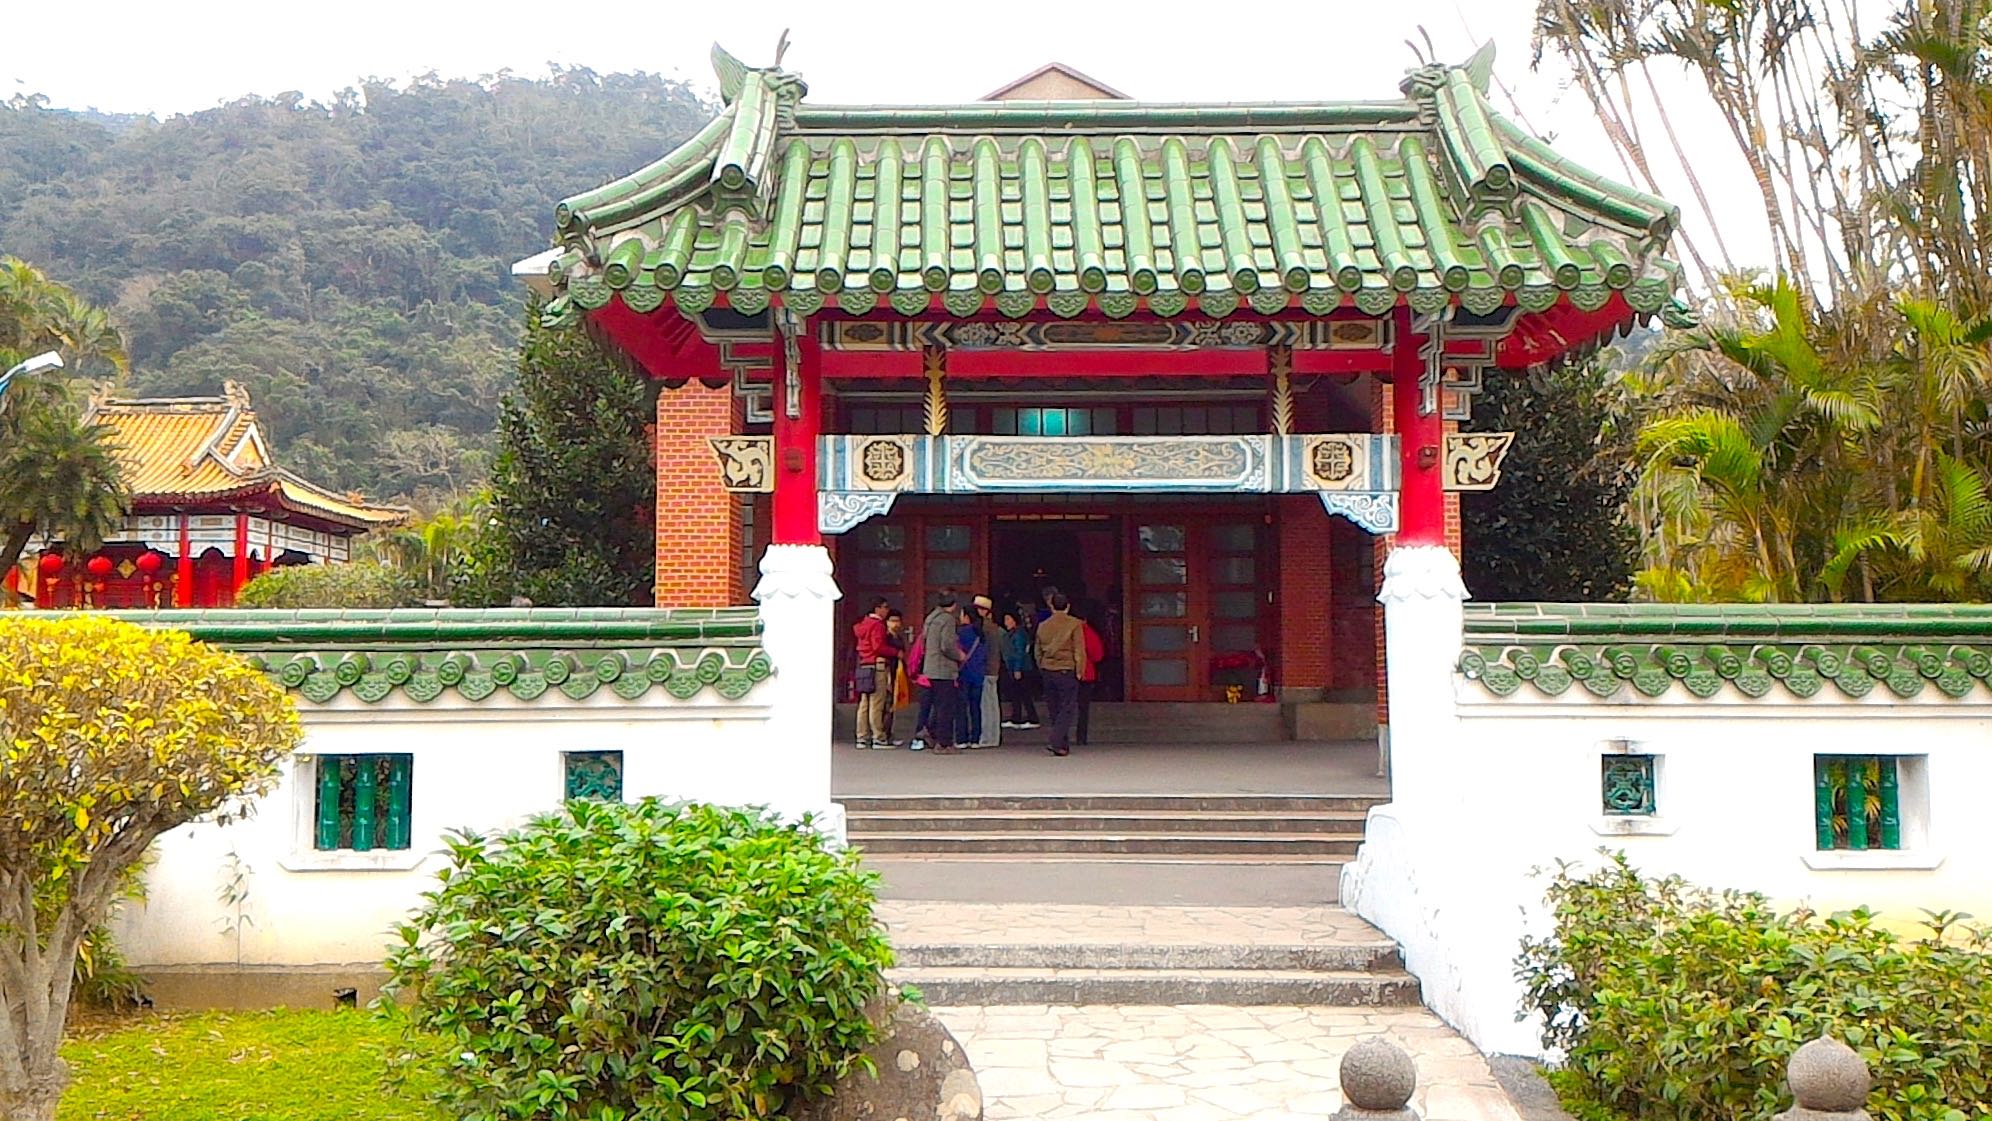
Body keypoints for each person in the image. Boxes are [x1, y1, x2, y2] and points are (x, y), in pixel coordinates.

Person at [1035, 593, 1085, 757]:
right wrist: (1080, 670)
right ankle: (1056, 740)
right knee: (1068, 707)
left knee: (1054, 707)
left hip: (1048, 669)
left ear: (1051, 606)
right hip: (1066, 668)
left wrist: (1042, 666)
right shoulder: (1074, 624)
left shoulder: (1043, 625)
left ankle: (1062, 745)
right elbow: (1079, 650)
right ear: (1068, 606)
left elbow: (1037, 650)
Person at [919, 592, 966, 754]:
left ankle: (930, 731)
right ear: (953, 605)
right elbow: (947, 645)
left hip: (931, 667)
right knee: (946, 707)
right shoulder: (947, 619)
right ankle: (944, 742)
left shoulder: (931, 618)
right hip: (944, 668)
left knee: (938, 705)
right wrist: (959, 655)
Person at [851, 597, 897, 749]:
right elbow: (878, 646)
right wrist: (895, 652)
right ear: (877, 608)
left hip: (864, 664)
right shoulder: (877, 625)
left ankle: (861, 736)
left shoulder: (863, 624)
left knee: (864, 703)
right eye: (885, 607)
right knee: (877, 702)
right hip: (877, 665)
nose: (887, 610)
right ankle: (878, 737)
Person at [973, 595, 1004, 747]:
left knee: (986, 706)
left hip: (986, 669)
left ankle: (986, 737)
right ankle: (994, 737)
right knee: (993, 705)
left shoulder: (983, 628)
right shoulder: (996, 628)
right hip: (994, 669)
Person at [1000, 611, 1040, 729]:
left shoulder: (1018, 634)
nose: (1006, 622)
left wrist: (1017, 669)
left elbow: (1019, 652)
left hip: (1021, 668)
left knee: (1024, 694)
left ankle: (1032, 718)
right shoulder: (1012, 634)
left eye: (1008, 619)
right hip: (1015, 667)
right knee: (1017, 694)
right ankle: (1016, 718)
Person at [1074, 605, 1106, 747]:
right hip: (1086, 673)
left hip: (1066, 671)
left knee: (1065, 706)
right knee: (1083, 708)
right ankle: (1081, 737)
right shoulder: (1088, 632)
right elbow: (1098, 655)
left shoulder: (1066, 631)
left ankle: (1061, 735)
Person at [955, 603, 987, 748]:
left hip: (964, 674)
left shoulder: (961, 633)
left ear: (967, 616)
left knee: (961, 707)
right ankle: (975, 738)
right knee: (976, 707)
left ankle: (962, 738)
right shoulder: (981, 634)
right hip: (978, 674)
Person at [882, 608, 908, 746]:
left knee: (892, 704)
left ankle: (889, 733)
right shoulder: (885, 637)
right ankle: (883, 734)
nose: (896, 624)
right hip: (887, 671)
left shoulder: (899, 638)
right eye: (892, 621)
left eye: (898, 621)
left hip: (897, 672)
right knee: (886, 704)